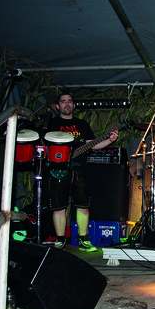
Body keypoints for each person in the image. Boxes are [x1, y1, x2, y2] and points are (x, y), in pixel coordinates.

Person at [45, 92, 118, 250]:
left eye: (70, 101)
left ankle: (84, 239)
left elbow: (92, 145)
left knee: (82, 205)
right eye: (63, 101)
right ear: (57, 106)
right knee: (59, 207)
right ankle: (60, 240)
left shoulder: (81, 124)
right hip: (57, 169)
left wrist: (109, 140)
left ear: (74, 105)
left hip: (79, 169)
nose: (67, 104)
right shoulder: (51, 124)